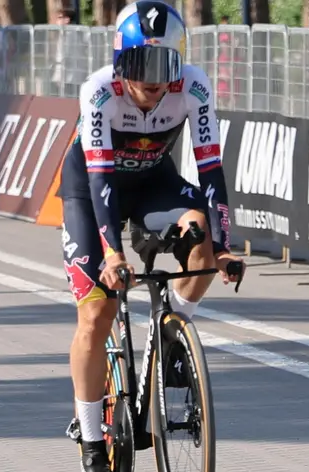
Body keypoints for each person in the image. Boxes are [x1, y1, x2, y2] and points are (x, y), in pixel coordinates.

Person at [58, 1, 245, 470]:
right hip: (91, 188)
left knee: (200, 233)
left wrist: (223, 247)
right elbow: (100, 179)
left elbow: (210, 169)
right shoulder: (98, 91)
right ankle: (92, 437)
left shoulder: (195, 86)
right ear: (120, 62)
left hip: (152, 184)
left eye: (164, 65)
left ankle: (173, 337)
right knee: (96, 313)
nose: (152, 80)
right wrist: (112, 253)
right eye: (140, 64)